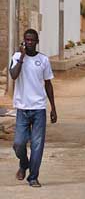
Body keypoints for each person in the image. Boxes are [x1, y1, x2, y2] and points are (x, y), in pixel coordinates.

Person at [10, 29, 57, 188]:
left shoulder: (43, 60)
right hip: (22, 108)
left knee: (37, 145)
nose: (29, 43)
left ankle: (33, 177)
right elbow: (13, 75)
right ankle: (24, 164)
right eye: (27, 40)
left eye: (32, 40)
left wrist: (53, 108)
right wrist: (22, 57)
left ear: (37, 42)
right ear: (24, 41)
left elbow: (48, 84)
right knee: (18, 143)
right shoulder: (16, 57)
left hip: (38, 108)